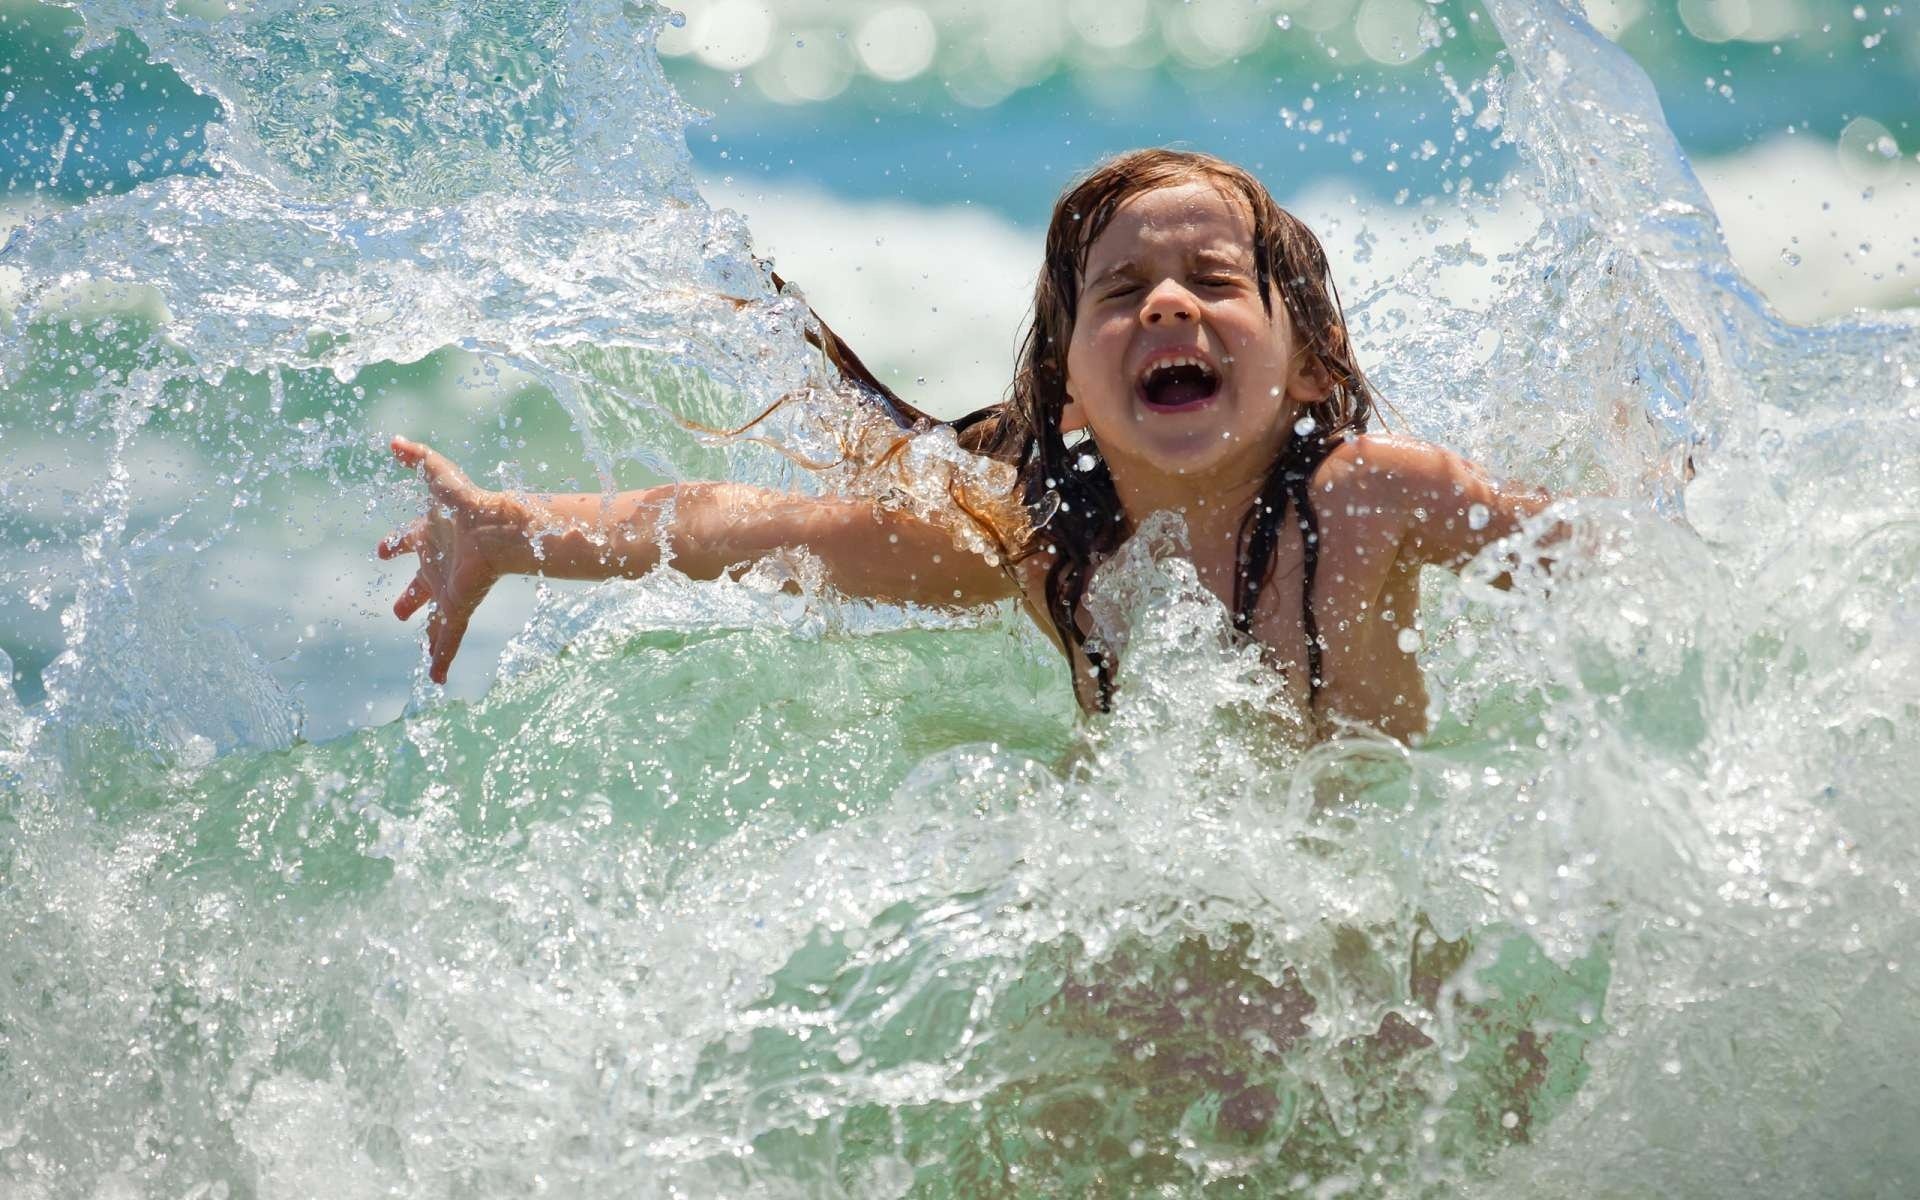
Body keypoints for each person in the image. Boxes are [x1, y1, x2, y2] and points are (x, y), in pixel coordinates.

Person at [377, 149, 1554, 741]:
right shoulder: (1047, 550)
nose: (1167, 307)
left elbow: (1627, 569)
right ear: (1072, 392)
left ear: (1307, 366)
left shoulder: (1372, 503)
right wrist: (507, 532)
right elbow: (751, 527)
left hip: (1376, 945)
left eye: (1212, 281)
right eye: (1123, 292)